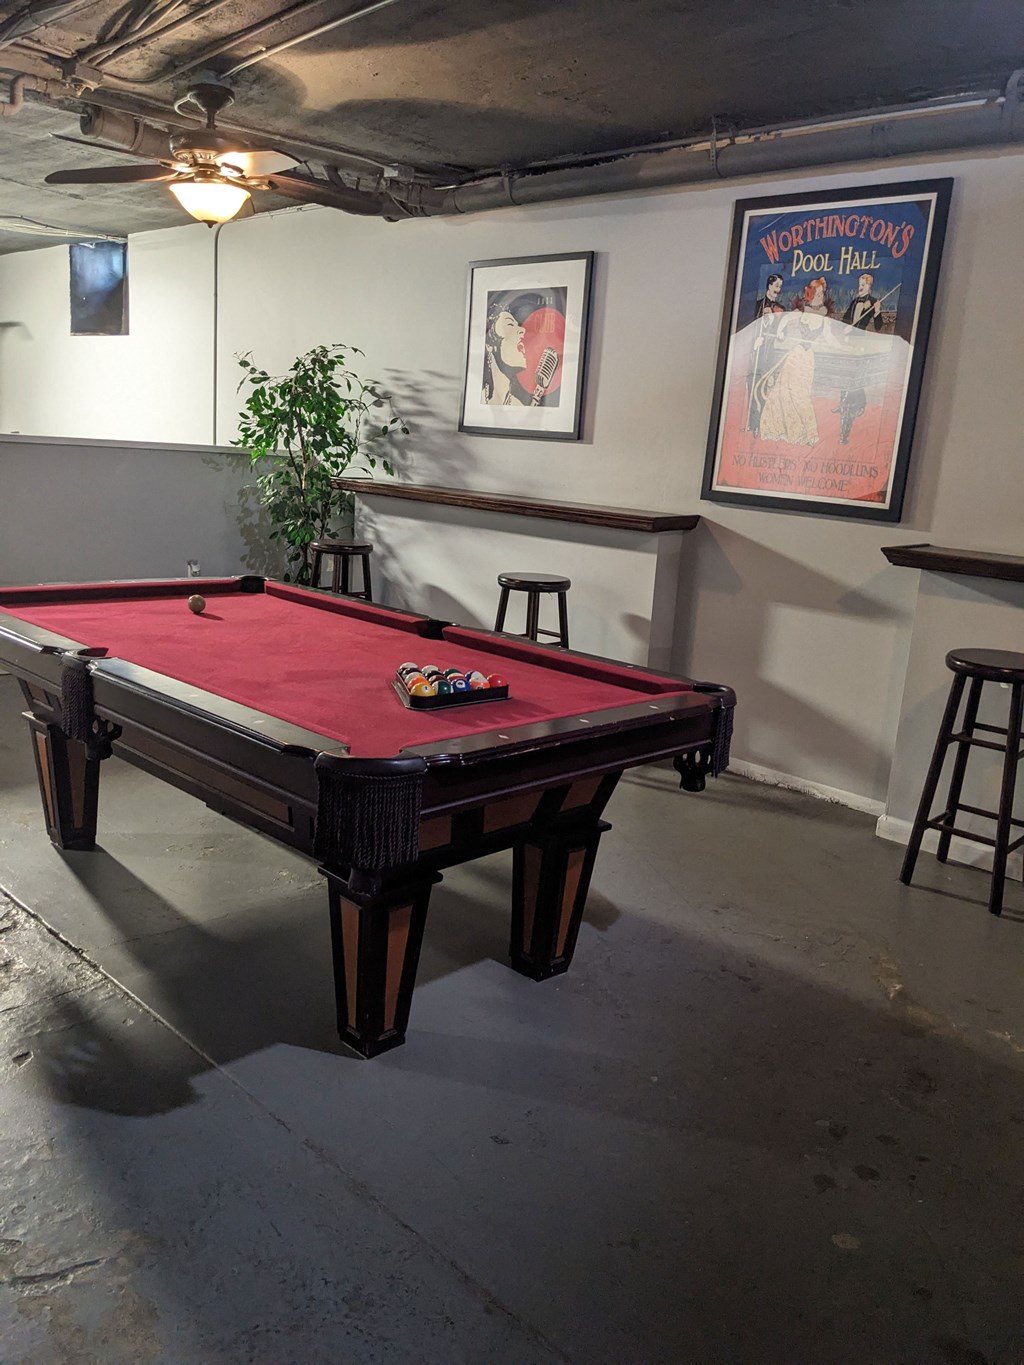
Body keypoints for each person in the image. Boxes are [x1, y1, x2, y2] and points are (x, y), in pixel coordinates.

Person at [757, 279, 829, 445]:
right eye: (816, 293)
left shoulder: (824, 314)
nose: (819, 297)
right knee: (784, 391)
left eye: (821, 294)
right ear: (810, 293)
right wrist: (781, 331)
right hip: (795, 355)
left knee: (801, 395)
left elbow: (831, 338)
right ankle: (784, 430)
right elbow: (784, 319)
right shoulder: (802, 310)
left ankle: (808, 433)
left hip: (808, 358)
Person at [746, 274, 785, 434]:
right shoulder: (756, 305)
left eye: (780, 287)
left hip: (769, 354)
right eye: (776, 286)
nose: (778, 290)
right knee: (752, 385)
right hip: (755, 352)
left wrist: (781, 334)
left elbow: (782, 330)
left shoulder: (780, 309)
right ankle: (752, 423)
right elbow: (748, 327)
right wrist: (755, 340)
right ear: (769, 286)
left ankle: (759, 424)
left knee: (763, 389)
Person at [481, 304, 530, 406]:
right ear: (489, 345)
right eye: (510, 325)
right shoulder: (478, 397)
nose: (522, 330)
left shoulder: (518, 405)